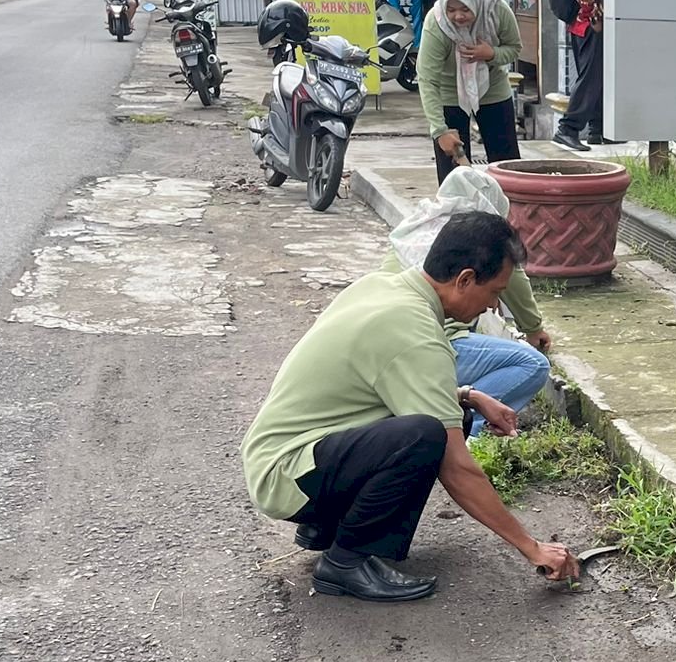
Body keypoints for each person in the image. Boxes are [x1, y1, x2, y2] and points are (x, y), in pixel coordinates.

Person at [242, 212, 580, 602]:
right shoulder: (417, 333)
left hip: (283, 457)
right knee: (423, 436)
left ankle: (325, 525)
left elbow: (383, 385)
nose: (493, 308)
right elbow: (458, 468)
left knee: (440, 418)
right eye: (494, 293)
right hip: (288, 475)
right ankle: (345, 562)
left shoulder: (383, 287)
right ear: (465, 279)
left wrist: (470, 394)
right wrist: (532, 546)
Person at [382, 167, 555, 430]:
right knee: (532, 363)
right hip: (432, 344)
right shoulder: (484, 243)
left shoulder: (414, 228)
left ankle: (457, 417)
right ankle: (467, 428)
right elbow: (515, 282)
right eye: (494, 293)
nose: (491, 303)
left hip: (394, 348)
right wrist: (533, 328)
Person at [417, 0, 523, 178]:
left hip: (492, 88)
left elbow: (514, 48)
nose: (458, 17)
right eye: (451, 9)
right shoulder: (436, 23)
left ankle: (510, 210)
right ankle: (458, 211)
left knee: (507, 164)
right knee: (452, 172)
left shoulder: (496, 10)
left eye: (465, 8)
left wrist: (491, 54)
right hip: (449, 92)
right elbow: (427, 79)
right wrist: (439, 130)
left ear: (476, 0)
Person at [557, 0, 609, 151]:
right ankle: (567, 128)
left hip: (581, 24)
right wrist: (594, 16)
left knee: (598, 76)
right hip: (590, 24)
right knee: (590, 78)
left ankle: (598, 130)